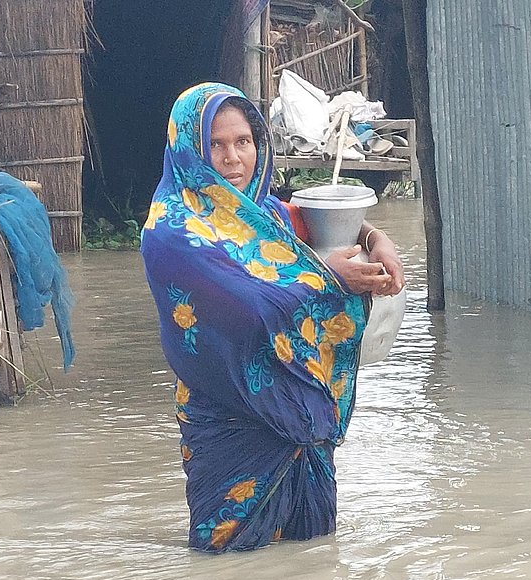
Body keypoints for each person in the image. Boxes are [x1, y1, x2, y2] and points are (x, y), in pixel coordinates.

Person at [140, 82, 405, 553]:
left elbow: (317, 224)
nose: (233, 158)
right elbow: (251, 307)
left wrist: (374, 237)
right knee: (224, 559)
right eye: (216, 145)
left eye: (243, 142)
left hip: (296, 410)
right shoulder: (172, 231)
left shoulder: (262, 211)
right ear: (189, 149)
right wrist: (328, 277)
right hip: (229, 413)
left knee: (315, 555)